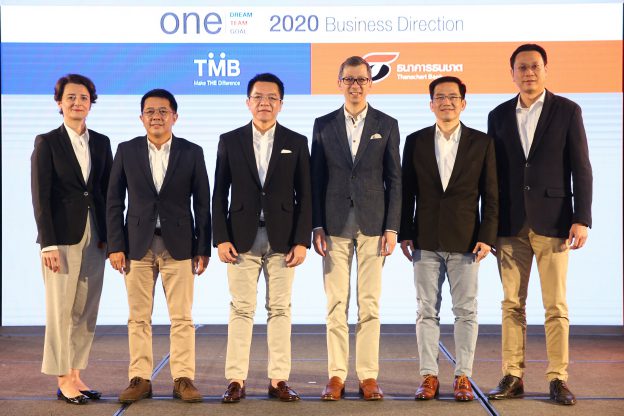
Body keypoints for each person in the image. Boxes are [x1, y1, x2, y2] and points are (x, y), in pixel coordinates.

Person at [486, 44, 592, 406]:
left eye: (534, 66)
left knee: (555, 305)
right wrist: (489, 226)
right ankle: (512, 375)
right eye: (522, 67)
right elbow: (492, 176)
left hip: (555, 222)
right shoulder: (498, 115)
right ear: (512, 73)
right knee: (511, 305)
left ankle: (557, 378)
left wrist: (581, 218)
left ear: (545, 70)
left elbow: (581, 167)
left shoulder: (567, 110)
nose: (528, 72)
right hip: (509, 225)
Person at [107, 89, 211, 403]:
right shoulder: (126, 150)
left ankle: (183, 379)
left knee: (182, 318)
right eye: (150, 111)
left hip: (179, 246)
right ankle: (140, 378)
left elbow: (202, 203)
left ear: (174, 117)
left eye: (163, 111)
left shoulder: (191, 152)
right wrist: (116, 245)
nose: (156, 116)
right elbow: (114, 201)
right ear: (141, 118)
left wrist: (202, 248)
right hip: (136, 246)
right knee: (138, 317)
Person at [212, 73, 312, 403]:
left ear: (281, 104)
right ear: (248, 102)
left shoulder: (297, 141)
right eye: (258, 97)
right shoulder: (230, 140)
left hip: (284, 240)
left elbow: (305, 195)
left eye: (271, 97)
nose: (264, 103)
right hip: (240, 239)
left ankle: (278, 379)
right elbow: (218, 194)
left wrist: (302, 240)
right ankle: (235, 380)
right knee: (241, 309)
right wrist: (220, 238)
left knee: (280, 309)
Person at [399, 76, 498, 401]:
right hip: (425, 240)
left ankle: (462, 376)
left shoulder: (482, 142)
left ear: (463, 103)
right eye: (440, 97)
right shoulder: (414, 141)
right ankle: (429, 376)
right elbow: (407, 193)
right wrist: (405, 232)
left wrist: (487, 236)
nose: (447, 102)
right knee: (425, 311)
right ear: (431, 104)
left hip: (467, 241)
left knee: (466, 311)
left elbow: (491, 195)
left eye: (453, 97)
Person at [311, 56, 401, 401]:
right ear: (339, 83)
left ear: (370, 83)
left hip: (374, 223)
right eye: (349, 79)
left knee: (369, 303)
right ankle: (336, 375)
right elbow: (316, 179)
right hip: (333, 224)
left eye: (361, 79)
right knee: (336, 303)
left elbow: (394, 179)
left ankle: (368, 376)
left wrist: (392, 227)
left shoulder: (387, 123)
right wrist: (316, 224)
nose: (355, 85)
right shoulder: (323, 124)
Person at [31, 73, 112, 405]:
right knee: (61, 311)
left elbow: (106, 194)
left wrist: (111, 237)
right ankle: (62, 378)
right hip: (61, 239)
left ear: (91, 103)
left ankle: (76, 375)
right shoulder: (47, 142)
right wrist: (47, 243)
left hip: (96, 237)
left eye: (83, 98)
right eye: (71, 97)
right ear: (59, 103)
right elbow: (41, 196)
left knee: (85, 310)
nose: (78, 103)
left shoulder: (102, 142)